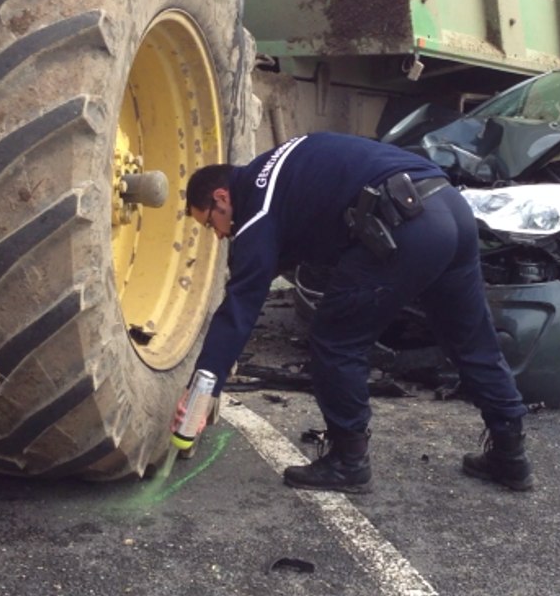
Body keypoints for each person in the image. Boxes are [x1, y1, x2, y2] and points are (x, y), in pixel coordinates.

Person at [177, 132, 534, 492]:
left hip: (405, 223)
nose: (219, 235)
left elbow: (240, 306)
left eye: (210, 223)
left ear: (222, 197)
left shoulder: (257, 206)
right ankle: (510, 454)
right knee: (471, 338)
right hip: (451, 208)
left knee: (335, 339)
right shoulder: (276, 170)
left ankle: (348, 461)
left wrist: (203, 388)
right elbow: (282, 250)